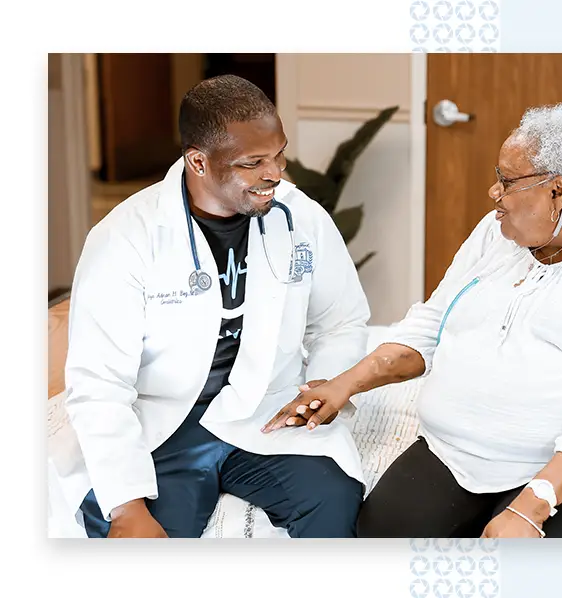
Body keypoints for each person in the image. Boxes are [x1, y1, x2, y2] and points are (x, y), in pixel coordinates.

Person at [264, 103, 562, 538]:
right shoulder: (495, 234)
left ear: (558, 192)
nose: (494, 193)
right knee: (379, 545)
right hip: (451, 453)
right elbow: (431, 324)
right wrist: (346, 382)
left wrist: (533, 507)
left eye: (508, 181)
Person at [52, 75, 370, 538]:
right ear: (198, 161)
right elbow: (99, 383)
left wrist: (322, 384)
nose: (275, 173)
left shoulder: (299, 217)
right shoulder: (124, 240)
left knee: (335, 500)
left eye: (279, 154)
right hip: (165, 424)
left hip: (264, 415)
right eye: (253, 162)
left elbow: (340, 320)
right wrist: (126, 509)